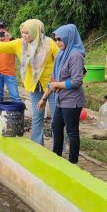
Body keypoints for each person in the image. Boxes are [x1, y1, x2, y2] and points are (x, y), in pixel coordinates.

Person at [0, 19, 59, 145]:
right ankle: (37, 145)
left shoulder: (49, 44)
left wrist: (59, 79)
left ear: (35, 32)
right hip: (34, 86)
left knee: (57, 118)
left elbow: (61, 61)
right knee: (37, 117)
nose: (24, 35)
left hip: (52, 86)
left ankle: (59, 146)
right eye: (22, 32)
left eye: (27, 33)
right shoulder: (19, 44)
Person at [38, 24, 86, 164]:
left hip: (72, 101)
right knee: (56, 126)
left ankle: (73, 163)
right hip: (60, 98)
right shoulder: (61, 54)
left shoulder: (76, 56)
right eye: (56, 39)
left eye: (60, 39)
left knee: (72, 132)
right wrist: (44, 98)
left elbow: (77, 82)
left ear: (69, 38)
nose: (57, 42)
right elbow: (53, 79)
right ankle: (56, 158)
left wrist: (57, 85)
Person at [0, 21, 22, 113]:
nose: (1, 30)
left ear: (5, 29)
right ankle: (0, 116)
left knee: (15, 96)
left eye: (2, 28)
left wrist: (11, 38)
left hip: (9, 73)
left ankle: (18, 115)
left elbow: (20, 46)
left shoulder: (11, 41)